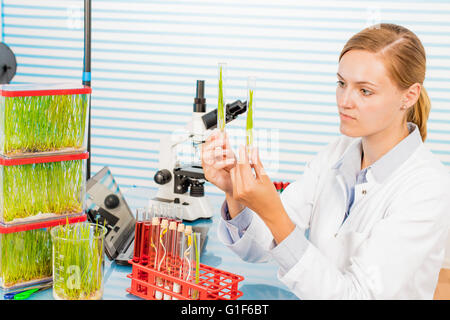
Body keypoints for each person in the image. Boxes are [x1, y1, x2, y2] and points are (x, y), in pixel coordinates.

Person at [201, 23, 450, 299]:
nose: (344, 101)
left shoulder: (428, 188)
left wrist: (274, 213)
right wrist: (234, 192)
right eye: (341, 83)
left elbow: (357, 296)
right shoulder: (336, 154)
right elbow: (258, 248)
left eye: (364, 91)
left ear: (409, 95)